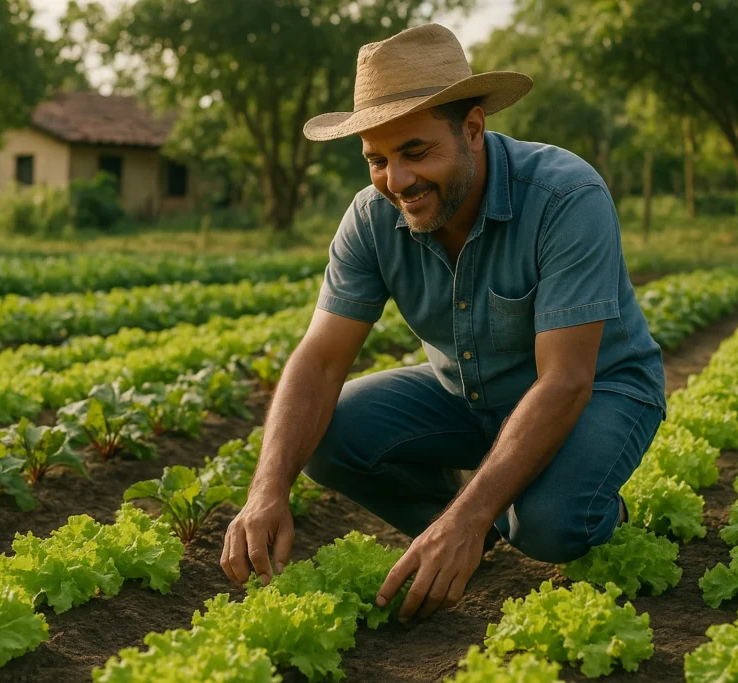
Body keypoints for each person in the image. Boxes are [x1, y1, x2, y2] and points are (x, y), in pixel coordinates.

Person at [220, 23, 666, 623]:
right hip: (467, 392)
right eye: (376, 160)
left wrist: (471, 513)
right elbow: (320, 359)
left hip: (598, 391)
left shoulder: (564, 196)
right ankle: (464, 529)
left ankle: (572, 510)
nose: (396, 181)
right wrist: (267, 491)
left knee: (546, 528)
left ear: (473, 130)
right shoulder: (371, 217)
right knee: (322, 434)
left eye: (415, 152)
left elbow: (565, 381)